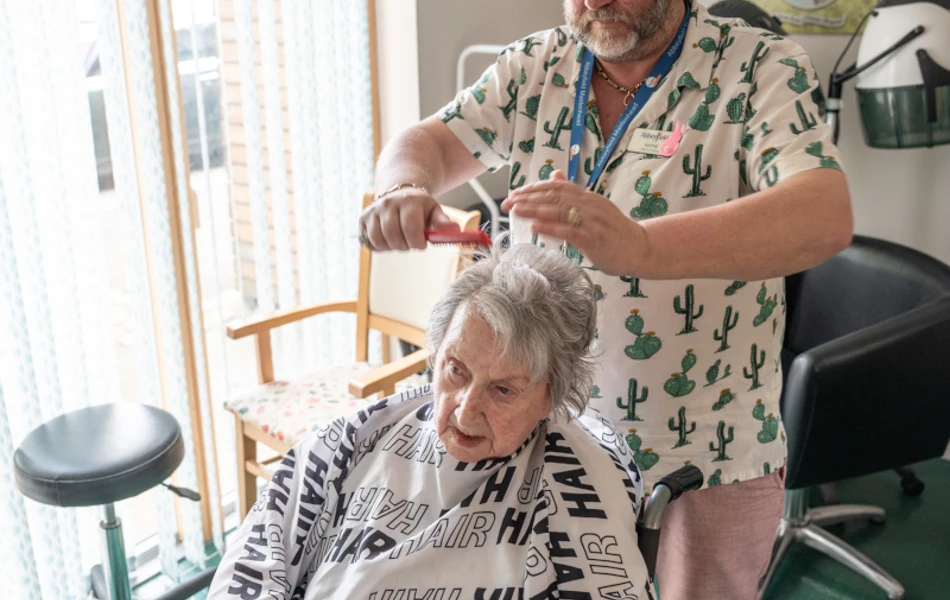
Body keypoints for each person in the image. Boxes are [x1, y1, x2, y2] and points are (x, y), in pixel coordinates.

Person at [358, 1, 854, 598]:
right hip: (550, 439)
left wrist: (641, 246)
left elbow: (824, 214)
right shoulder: (534, 66)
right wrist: (404, 186)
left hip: (702, 458)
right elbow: (426, 142)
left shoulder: (759, 67)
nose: (595, 1)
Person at [208, 242, 654, 599]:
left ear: (551, 396)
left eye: (503, 390)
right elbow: (261, 547)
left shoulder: (580, 480)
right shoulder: (366, 433)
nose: (464, 409)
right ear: (436, 351)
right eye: (456, 369)